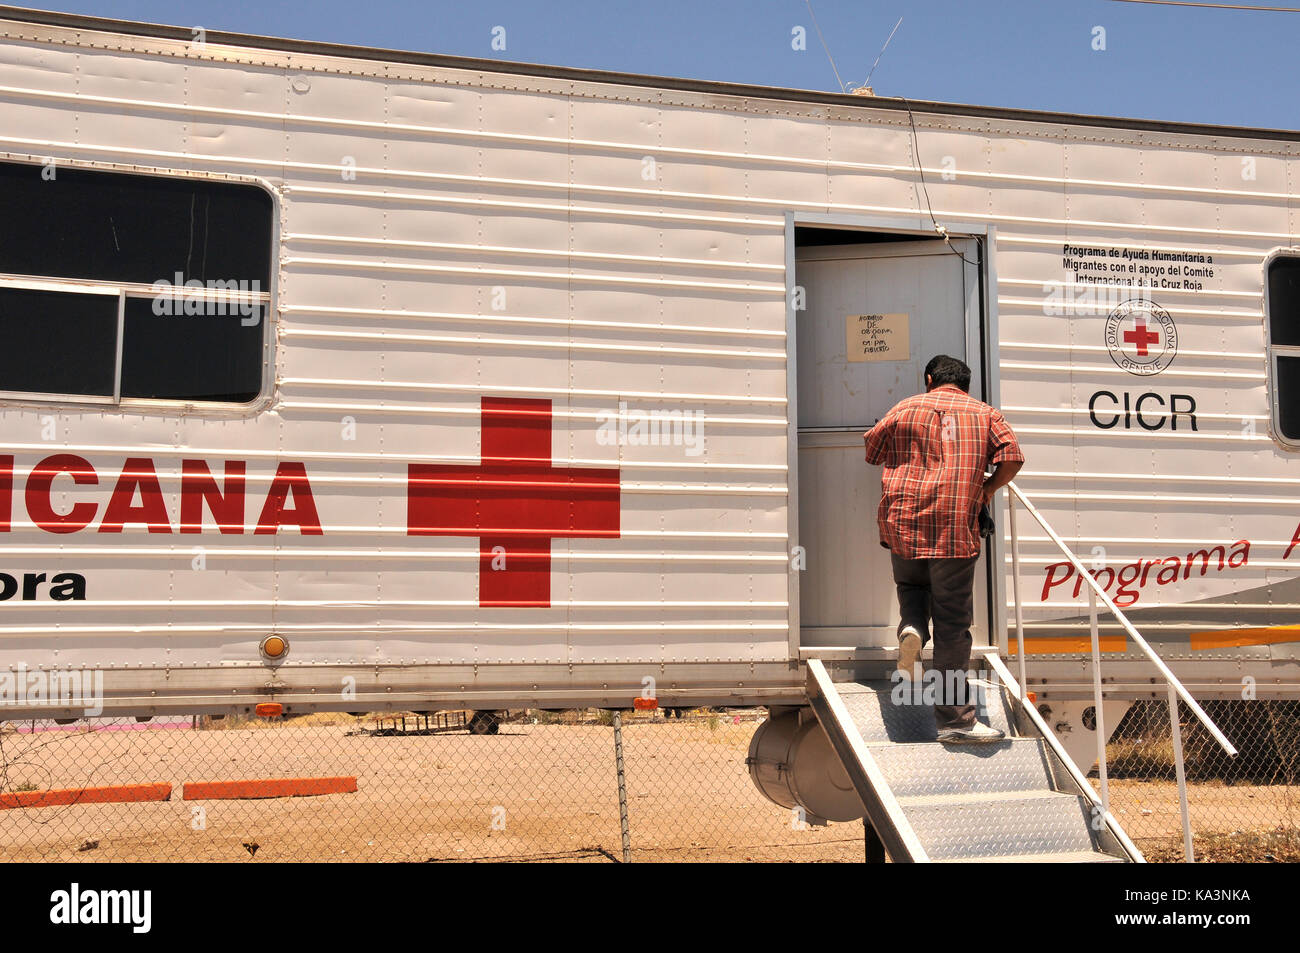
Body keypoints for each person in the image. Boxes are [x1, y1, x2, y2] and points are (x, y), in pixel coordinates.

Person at [863, 355, 1024, 744]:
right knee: (952, 624)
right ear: (965, 384)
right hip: (954, 526)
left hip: (903, 520)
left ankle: (912, 628)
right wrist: (986, 489)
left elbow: (872, 450)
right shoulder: (985, 413)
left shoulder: (905, 407)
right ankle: (954, 721)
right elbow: (1012, 457)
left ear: (929, 379)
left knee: (912, 589)